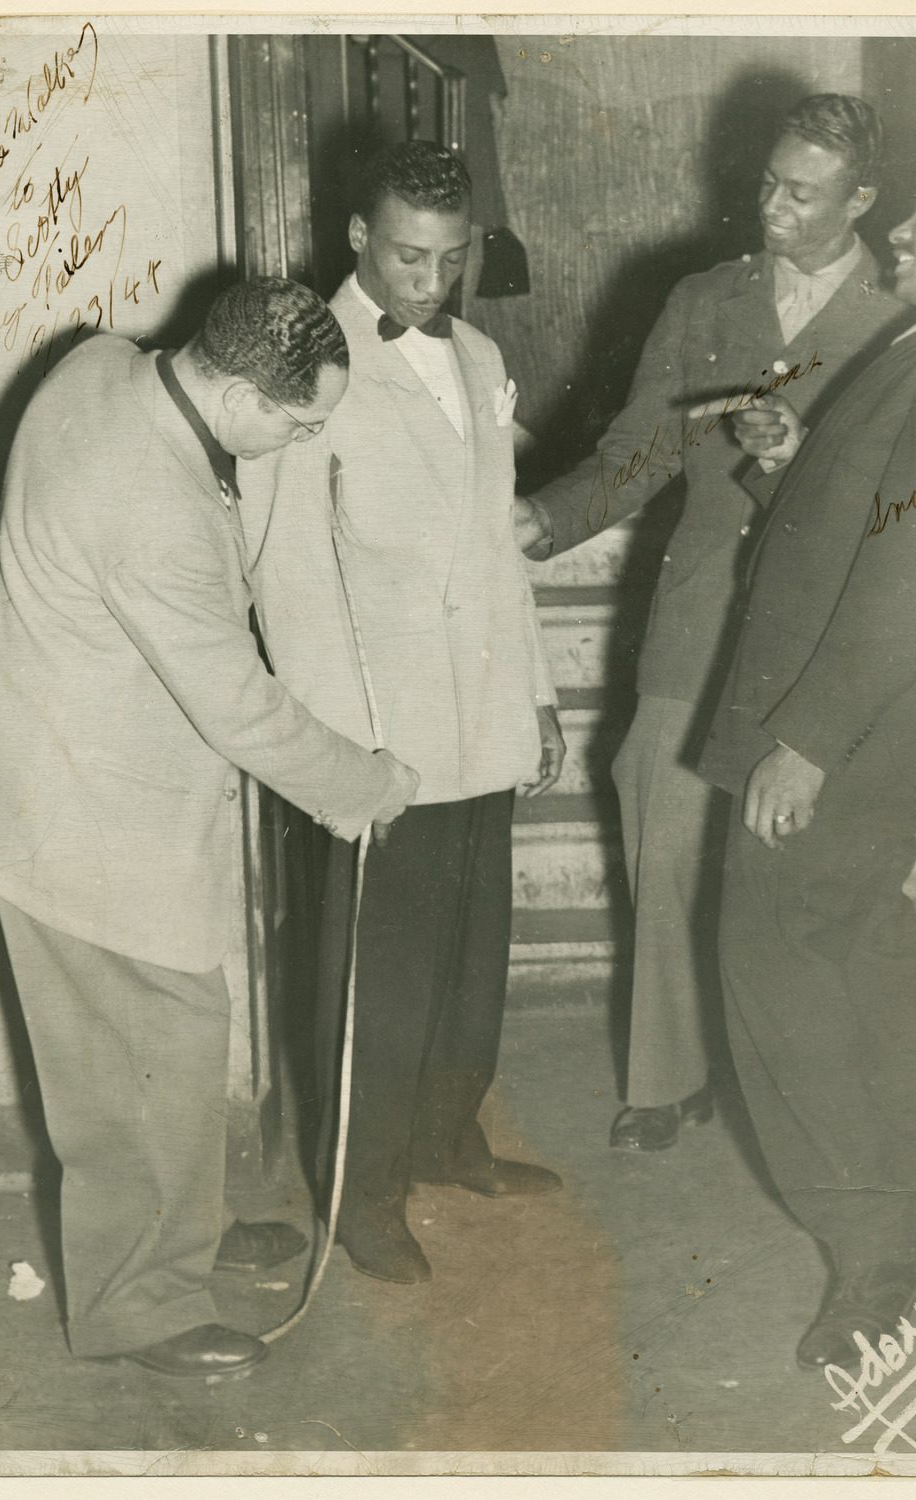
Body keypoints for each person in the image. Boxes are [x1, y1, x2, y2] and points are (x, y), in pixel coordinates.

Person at [0, 278, 420, 1378]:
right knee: (136, 1058)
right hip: (81, 824)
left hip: (49, 772)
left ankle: (177, 1227)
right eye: (296, 422)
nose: (302, 438)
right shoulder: (153, 507)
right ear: (237, 390)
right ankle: (137, 1300)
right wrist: (367, 783)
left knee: (164, 1049)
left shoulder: (95, 363)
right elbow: (239, 707)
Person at [698, 151, 916, 1369]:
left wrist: (803, 741)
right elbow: (877, 516)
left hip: (833, 732)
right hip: (846, 725)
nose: (899, 228)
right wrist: (791, 457)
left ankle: (874, 1254)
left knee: (773, 971)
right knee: (860, 951)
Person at [512, 95, 913, 1151]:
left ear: (862, 199)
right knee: (662, 825)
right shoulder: (704, 299)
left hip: (824, 635)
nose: (770, 208)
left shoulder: (904, 317)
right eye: (766, 183)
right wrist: (541, 520)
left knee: (807, 874)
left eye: (801, 193)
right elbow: (639, 452)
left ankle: (805, 1085)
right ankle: (665, 1077)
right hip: (698, 621)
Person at [240, 142, 564, 1287]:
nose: (428, 284)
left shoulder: (476, 354)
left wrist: (533, 691)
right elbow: (286, 574)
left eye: (449, 259)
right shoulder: (303, 361)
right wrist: (342, 758)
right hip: (380, 732)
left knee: (469, 955)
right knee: (376, 971)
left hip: (481, 710)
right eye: (406, 258)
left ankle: (445, 1137)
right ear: (357, 241)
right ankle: (359, 1188)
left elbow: (497, 542)